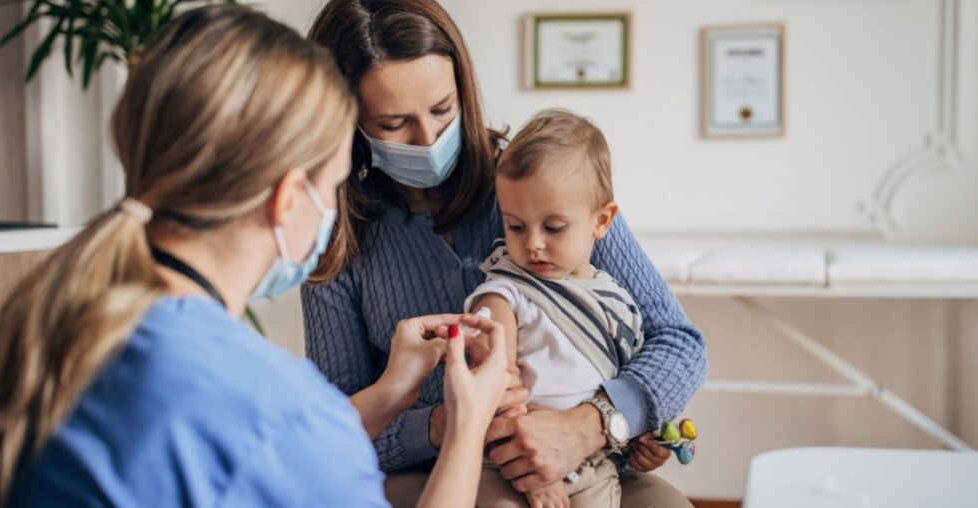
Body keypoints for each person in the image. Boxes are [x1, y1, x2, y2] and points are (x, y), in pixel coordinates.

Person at [0, 7, 510, 507]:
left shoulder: (35, 333)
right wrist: (465, 426)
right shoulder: (275, 414)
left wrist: (390, 394)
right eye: (338, 182)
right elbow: (281, 440)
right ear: (289, 199)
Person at [303, 1, 708, 506]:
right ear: (347, 120)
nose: (427, 140)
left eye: (441, 110)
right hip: (430, 469)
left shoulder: (544, 185)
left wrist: (594, 424)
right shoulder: (337, 238)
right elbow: (330, 427)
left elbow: (680, 342)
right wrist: (441, 425)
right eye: (392, 123)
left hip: (585, 459)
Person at [466, 109, 681, 508]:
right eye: (515, 226)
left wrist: (641, 443)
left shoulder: (617, 299)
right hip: (509, 464)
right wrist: (531, 474)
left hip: (597, 465)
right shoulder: (503, 295)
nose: (532, 244)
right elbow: (491, 388)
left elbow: (626, 374)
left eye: (553, 228)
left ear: (601, 221)